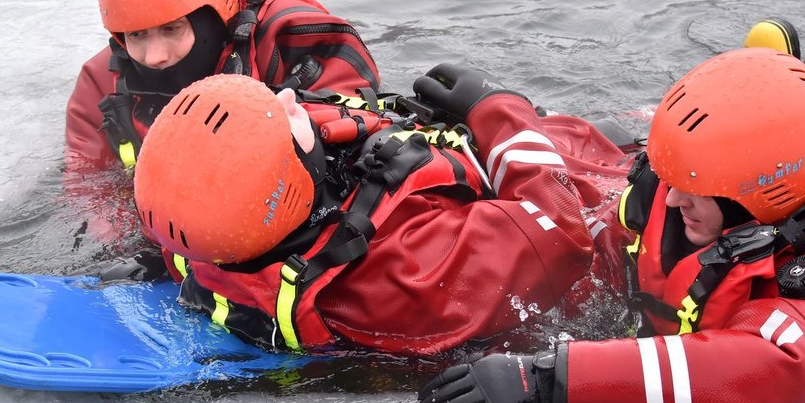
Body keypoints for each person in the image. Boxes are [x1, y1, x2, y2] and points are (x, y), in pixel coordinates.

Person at [416, 45, 805, 403]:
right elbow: (586, 207)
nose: (672, 200)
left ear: (762, 194)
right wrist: (501, 116)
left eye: (693, 185)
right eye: (669, 179)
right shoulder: (690, 187)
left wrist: (546, 380)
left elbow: (761, 371)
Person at [131, 67, 633, 354]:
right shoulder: (406, 274)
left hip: (507, 168)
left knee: (599, 132)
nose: (288, 97)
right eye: (282, 119)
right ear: (281, 191)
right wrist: (496, 109)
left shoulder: (209, 229)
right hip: (597, 231)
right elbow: (562, 232)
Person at [66, 0, 380, 173]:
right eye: (136, 35)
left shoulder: (292, 34)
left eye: (171, 29)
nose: (155, 56)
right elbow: (86, 186)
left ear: (212, 17)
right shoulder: (101, 82)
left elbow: (359, 122)